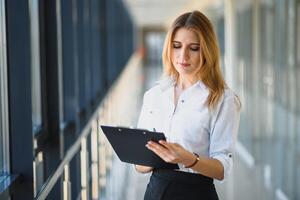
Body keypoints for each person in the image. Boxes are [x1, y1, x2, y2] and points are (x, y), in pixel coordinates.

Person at [135, 10, 241, 200]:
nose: (183, 56)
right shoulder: (154, 95)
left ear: (207, 50)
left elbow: (222, 169)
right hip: (155, 191)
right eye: (177, 46)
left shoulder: (223, 100)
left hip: (196, 193)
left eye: (193, 48)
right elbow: (139, 166)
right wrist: (150, 156)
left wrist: (188, 159)